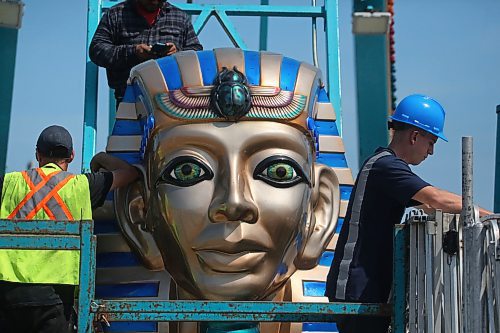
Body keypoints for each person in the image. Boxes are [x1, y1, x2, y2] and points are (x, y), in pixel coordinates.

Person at [325, 94, 493, 333]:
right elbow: (435, 198)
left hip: (366, 287)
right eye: (431, 142)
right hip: (358, 289)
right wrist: (491, 216)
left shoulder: (386, 166)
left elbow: (429, 205)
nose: (431, 152)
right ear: (415, 136)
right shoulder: (386, 166)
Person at [0, 125, 139, 333]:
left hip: (8, 296)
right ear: (72, 156)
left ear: (37, 154)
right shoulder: (82, 186)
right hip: (55, 299)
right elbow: (130, 173)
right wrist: (101, 158)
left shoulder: (9, 183)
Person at [89, 0, 203, 104]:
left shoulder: (180, 17)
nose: (153, 2)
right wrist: (133, 52)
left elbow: (196, 53)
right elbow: (97, 49)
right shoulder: (115, 15)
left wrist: (177, 53)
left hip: (173, 98)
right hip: (129, 97)